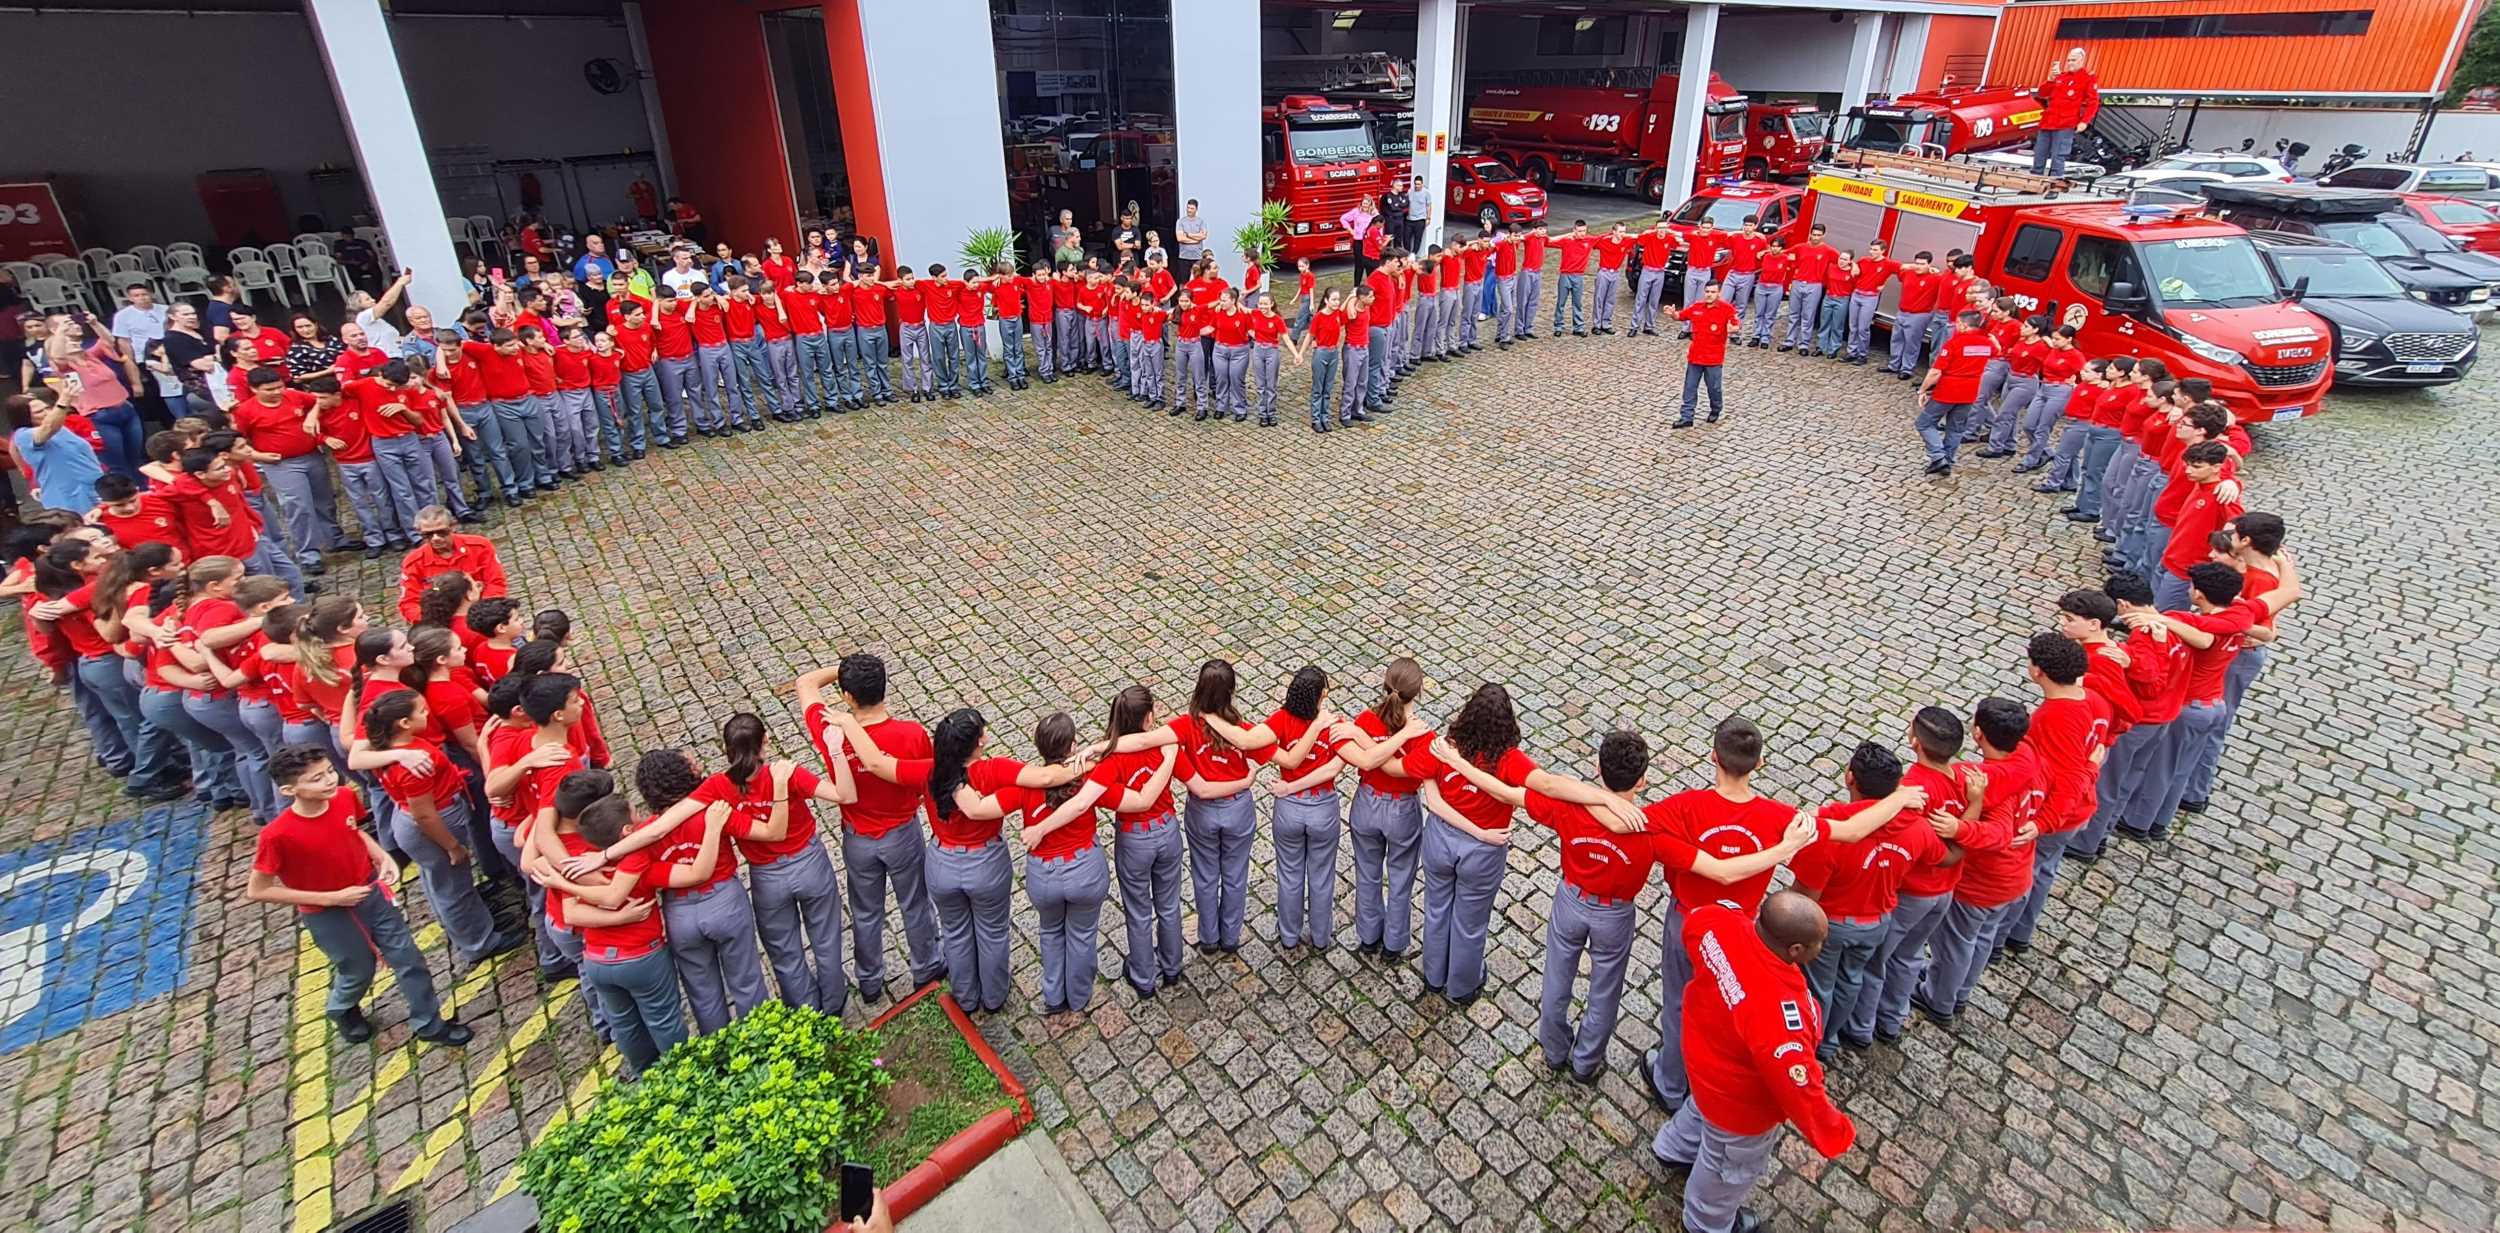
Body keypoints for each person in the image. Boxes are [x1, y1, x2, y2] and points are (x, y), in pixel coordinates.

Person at [1649, 893, 1856, 1233]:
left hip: (1703, 1064)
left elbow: (1694, 927)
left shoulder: (1719, 923)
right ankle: (1705, 1222)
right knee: (1727, 1170)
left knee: (1698, 1110)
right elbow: (1796, 1083)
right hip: (1738, 1105)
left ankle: (1672, 1148)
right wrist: (1834, 1132)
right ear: (1795, 951)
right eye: (1818, 943)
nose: (1822, 947)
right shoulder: (1779, 1013)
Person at [249, 745, 472, 1046]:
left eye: (330, 771)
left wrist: (382, 857)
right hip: (328, 912)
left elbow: (353, 831)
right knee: (358, 969)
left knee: (408, 957)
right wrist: (331, 899)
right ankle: (342, 1007)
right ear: (290, 790)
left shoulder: (343, 797)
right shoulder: (277, 835)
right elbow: (259, 889)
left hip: (369, 892)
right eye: (316, 779)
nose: (329, 781)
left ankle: (429, 1023)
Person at [1786, 740, 1953, 1060]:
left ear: (1850, 778)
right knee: (1852, 980)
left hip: (1832, 925)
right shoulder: (1917, 827)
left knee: (1819, 988)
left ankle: (1816, 1041)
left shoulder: (1831, 831)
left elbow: (1806, 897)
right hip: (1877, 921)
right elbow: (1942, 858)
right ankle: (1839, 1033)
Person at [796, 655, 946, 1002]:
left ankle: (869, 980)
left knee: (865, 911)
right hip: (902, 832)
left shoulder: (830, 727)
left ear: (847, 696)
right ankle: (926, 966)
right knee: (916, 903)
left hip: (858, 835)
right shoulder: (911, 734)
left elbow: (805, 683)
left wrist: (844, 670)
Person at [1026, 685, 1185, 998]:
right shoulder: (1165, 742)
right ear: (1149, 717)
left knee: (1138, 910)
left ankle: (1143, 976)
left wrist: (1041, 827)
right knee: (1169, 905)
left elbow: (1082, 803)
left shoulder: (1109, 764)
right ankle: (1172, 966)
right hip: (1166, 830)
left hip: (1135, 839)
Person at [1915, 697, 2039, 1022]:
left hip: (1983, 883)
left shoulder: (1975, 779)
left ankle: (1940, 999)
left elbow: (1997, 835)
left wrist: (1959, 826)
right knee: (1980, 939)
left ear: (1978, 733)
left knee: (1955, 943)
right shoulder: (2026, 757)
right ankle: (1960, 990)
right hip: (2018, 874)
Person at [1916, 310, 1998, 477]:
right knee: (1956, 428)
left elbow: (1935, 372)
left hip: (1948, 389)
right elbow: (1997, 351)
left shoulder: (1954, 343)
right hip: (1970, 391)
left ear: (1963, 325)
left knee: (1924, 423)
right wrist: (1992, 339)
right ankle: (1948, 460)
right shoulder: (1986, 344)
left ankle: (1938, 456)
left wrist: (1923, 390)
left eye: (1958, 323)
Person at [8, 391, 104, 516]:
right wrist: (64, 400)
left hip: (95, 488)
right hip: (68, 497)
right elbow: (47, 429)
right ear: (24, 417)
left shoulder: (60, 429)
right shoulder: (24, 435)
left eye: (47, 408)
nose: (48, 413)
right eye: (39, 412)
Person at [1673, 283, 1740, 429]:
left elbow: (1736, 324)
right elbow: (1681, 316)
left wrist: (1732, 329)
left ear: (1719, 293)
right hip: (1695, 356)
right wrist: (1672, 313)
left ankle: (1716, 408)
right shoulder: (1697, 307)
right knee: (1690, 387)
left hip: (1713, 359)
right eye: (1707, 291)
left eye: (1713, 292)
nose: (1709, 294)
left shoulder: (1727, 309)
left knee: (1714, 388)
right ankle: (1687, 416)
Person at [2033, 48, 2101, 177]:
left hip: (2065, 123)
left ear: (2081, 60)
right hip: (2048, 121)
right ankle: (2034, 182)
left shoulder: (2087, 79)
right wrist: (2050, 80)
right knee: (2039, 153)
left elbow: (2093, 102)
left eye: (2073, 60)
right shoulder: (2061, 77)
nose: (2070, 63)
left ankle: (2054, 184)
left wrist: (2084, 121)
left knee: (2058, 156)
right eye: (2068, 60)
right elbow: (2043, 93)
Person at [1553, 220, 1592, 336]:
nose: (1582, 233)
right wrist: (1566, 235)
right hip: (1565, 275)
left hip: (1579, 276)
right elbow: (1549, 241)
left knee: (1577, 302)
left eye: (1584, 231)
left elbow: (1606, 237)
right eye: (1579, 231)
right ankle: (1558, 326)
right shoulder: (1566, 241)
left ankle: (1578, 327)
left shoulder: (1589, 241)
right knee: (1561, 302)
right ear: (1574, 230)